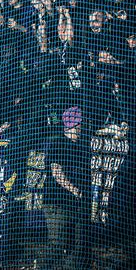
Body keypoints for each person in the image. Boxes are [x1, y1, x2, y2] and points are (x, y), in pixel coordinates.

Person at [40, 106, 91, 269]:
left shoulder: (81, 146)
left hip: (75, 204)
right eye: (83, 123)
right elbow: (57, 173)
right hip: (57, 202)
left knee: (74, 247)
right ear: (76, 124)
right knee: (57, 244)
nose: (86, 126)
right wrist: (76, 190)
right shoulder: (58, 142)